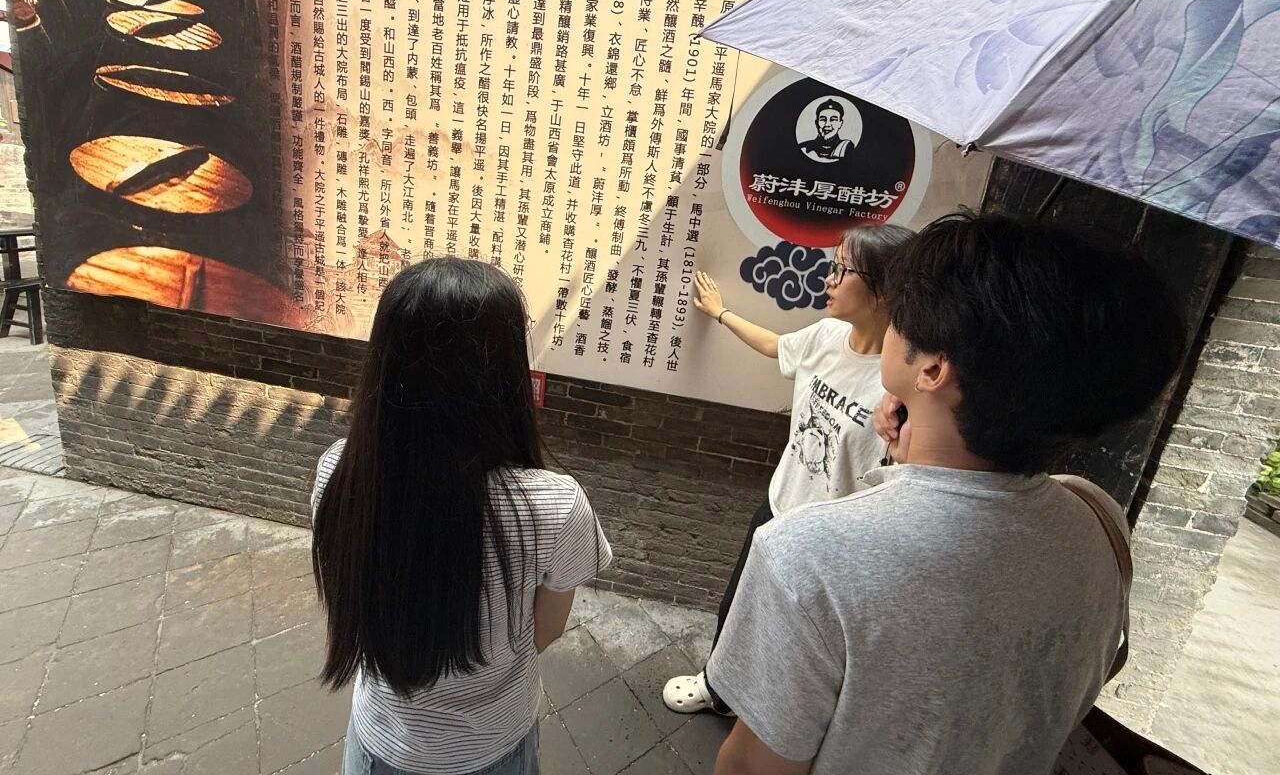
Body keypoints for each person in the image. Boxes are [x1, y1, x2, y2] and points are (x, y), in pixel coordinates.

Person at [706, 212, 1187, 775]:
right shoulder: (1097, 516)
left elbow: (749, 768)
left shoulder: (806, 556)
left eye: (903, 317)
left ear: (933, 368)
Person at [311, 258, 612, 775]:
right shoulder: (554, 506)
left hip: (380, 743)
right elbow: (545, 631)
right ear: (505, 373)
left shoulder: (341, 472)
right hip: (494, 746)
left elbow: (352, 601)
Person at [663, 222, 915, 716]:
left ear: (884, 291)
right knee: (738, 605)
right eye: (833, 266)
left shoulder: (901, 383)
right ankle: (719, 689)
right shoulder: (826, 335)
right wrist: (721, 313)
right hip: (780, 505)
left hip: (833, 539)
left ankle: (776, 716)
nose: (829, 279)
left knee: (800, 639)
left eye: (843, 271)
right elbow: (776, 346)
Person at [798, 98, 855, 163]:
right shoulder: (804, 147)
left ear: (840, 123)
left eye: (833, 119)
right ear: (816, 123)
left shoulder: (846, 148)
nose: (827, 124)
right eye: (823, 119)